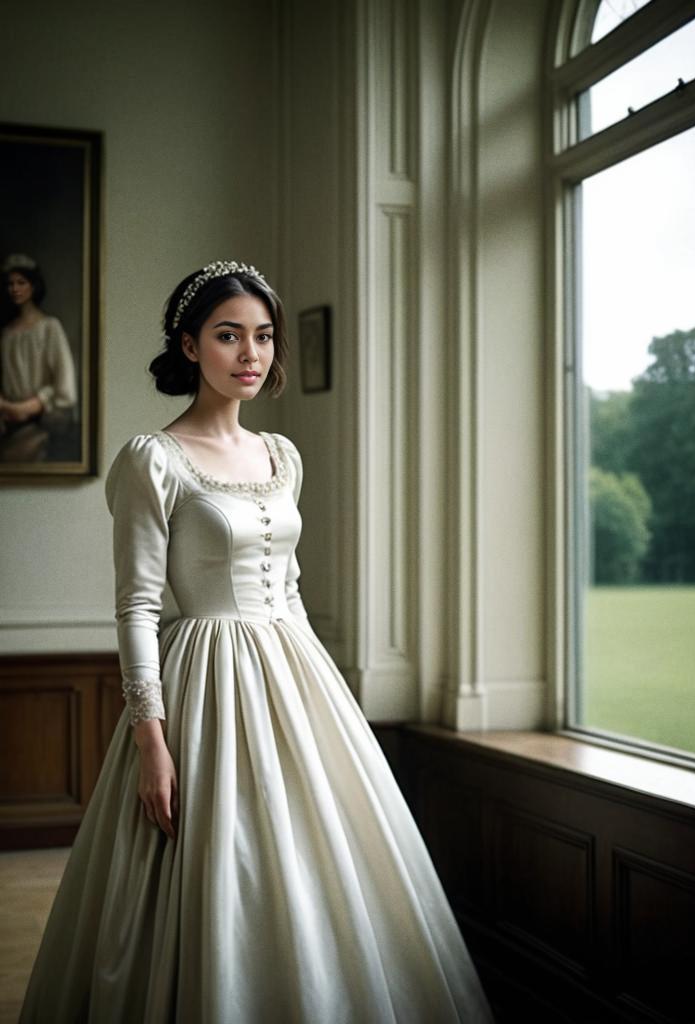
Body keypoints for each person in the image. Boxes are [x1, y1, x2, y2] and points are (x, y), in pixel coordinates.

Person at [19, 260, 495, 1023]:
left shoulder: (283, 456)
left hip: (294, 673)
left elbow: (292, 586)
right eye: (229, 335)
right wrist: (152, 742)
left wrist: (326, 700)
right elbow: (137, 606)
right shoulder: (154, 458)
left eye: (264, 337)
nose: (251, 354)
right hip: (202, 682)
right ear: (188, 346)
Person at [0, 254, 79, 463]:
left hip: (40, 426)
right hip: (7, 424)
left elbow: (65, 388)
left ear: (33, 286)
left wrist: (27, 408)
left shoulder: (49, 327)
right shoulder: (6, 333)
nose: (15, 289)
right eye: (10, 284)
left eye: (21, 283)